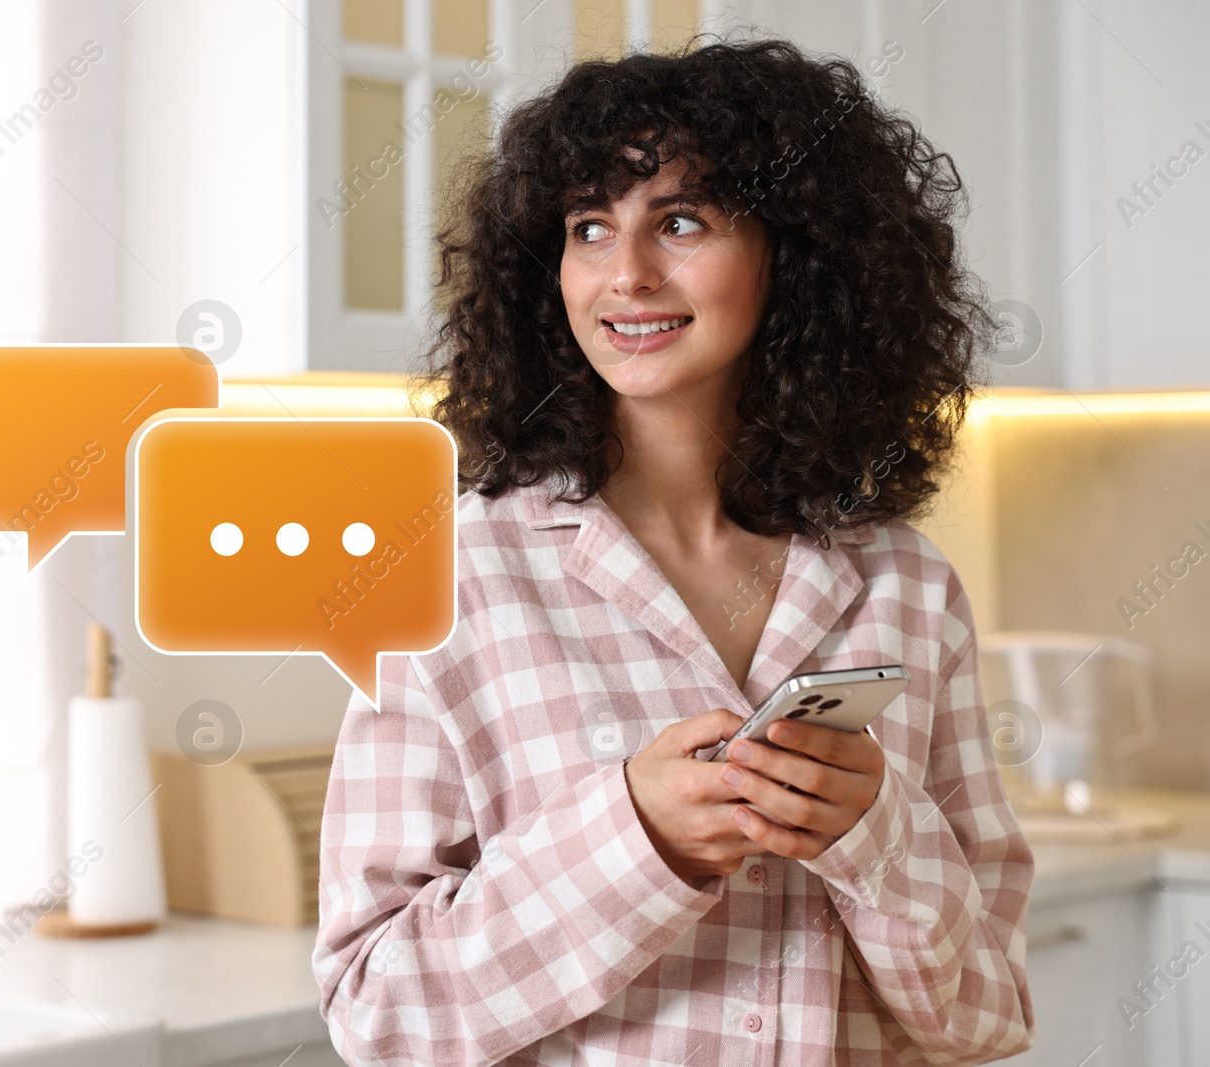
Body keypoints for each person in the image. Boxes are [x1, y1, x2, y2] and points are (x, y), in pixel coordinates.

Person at [312, 37, 1033, 1067]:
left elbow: (987, 1012)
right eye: (589, 227)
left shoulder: (907, 589)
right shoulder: (445, 576)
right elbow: (377, 1010)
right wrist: (635, 841)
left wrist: (873, 829)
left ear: (800, 251)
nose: (626, 274)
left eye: (681, 220)